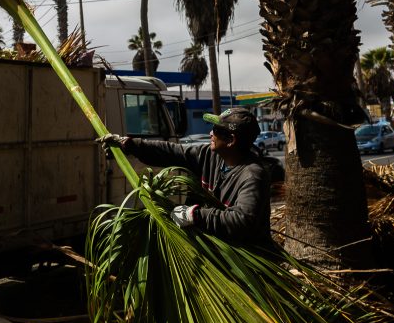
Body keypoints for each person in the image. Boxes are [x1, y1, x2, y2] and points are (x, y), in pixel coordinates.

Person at [98, 107, 278, 249]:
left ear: (231, 140)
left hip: (245, 259)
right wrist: (129, 145)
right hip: (216, 248)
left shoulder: (253, 175)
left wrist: (195, 215)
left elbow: (242, 221)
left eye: (216, 130)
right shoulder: (209, 155)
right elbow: (171, 152)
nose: (210, 133)